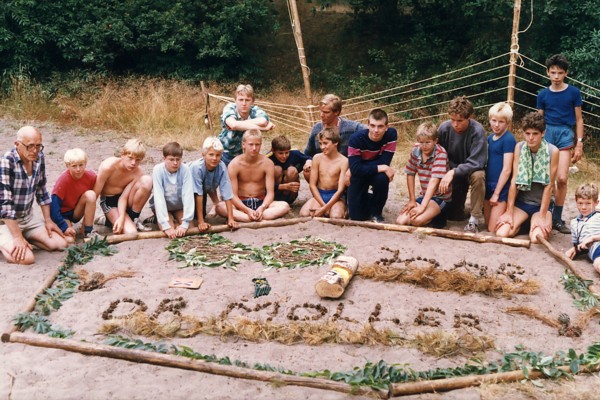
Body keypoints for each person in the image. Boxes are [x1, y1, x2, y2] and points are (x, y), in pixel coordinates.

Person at [0, 126, 69, 264]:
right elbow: (5, 205)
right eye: (30, 146)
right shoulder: (7, 162)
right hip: (5, 222)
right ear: (17, 144)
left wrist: (48, 221)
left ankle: (24, 237)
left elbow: (42, 191)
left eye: (38, 146)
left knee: (60, 244)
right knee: (27, 259)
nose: (35, 150)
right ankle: (8, 240)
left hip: (27, 218)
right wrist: (17, 237)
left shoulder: (38, 158)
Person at [537, 54, 584, 234]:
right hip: (547, 133)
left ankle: (557, 217)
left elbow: (579, 120)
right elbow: (538, 120)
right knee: (547, 178)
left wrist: (579, 143)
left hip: (565, 133)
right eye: (553, 72)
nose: (556, 76)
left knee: (562, 178)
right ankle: (547, 209)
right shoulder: (543, 94)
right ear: (548, 72)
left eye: (560, 73)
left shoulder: (573, 92)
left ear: (566, 73)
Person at [496, 112, 558, 244]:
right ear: (523, 133)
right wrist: (509, 211)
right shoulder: (519, 147)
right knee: (502, 233)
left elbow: (549, 186)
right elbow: (514, 181)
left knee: (536, 239)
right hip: (523, 202)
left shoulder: (553, 151)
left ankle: (535, 221)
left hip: (541, 204)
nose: (531, 138)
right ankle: (526, 223)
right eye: (527, 133)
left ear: (543, 133)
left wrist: (542, 216)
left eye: (535, 134)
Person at [216, 130, 290, 222]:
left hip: (261, 202)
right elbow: (233, 195)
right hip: (240, 203)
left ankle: (248, 218)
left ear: (261, 144)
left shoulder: (267, 163)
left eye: (257, 144)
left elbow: (270, 193)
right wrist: (246, 210)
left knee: (284, 206)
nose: (254, 148)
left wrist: (262, 208)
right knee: (220, 207)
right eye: (251, 144)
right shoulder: (234, 164)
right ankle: (255, 218)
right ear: (244, 145)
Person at [438, 96, 487, 233]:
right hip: (452, 172)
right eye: (452, 120)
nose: (455, 124)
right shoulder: (444, 128)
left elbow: (478, 161)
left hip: (471, 170)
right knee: (454, 216)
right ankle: (456, 208)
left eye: (460, 120)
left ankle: (474, 220)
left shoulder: (478, 131)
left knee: (479, 176)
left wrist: (453, 172)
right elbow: (438, 154)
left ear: (469, 117)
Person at [396, 122, 451, 227]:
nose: (424, 146)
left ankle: (439, 217)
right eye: (421, 142)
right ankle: (430, 216)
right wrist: (412, 200)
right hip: (424, 195)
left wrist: (422, 207)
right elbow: (410, 173)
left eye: (427, 142)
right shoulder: (416, 151)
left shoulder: (440, 153)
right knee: (401, 221)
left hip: (439, 197)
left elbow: (434, 180)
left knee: (417, 221)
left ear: (435, 141)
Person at [93, 138, 153, 235]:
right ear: (122, 155)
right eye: (130, 158)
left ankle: (134, 218)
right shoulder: (108, 166)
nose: (133, 163)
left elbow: (123, 198)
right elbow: (94, 195)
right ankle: (108, 220)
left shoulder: (138, 172)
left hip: (125, 200)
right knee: (131, 232)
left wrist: (121, 218)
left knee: (147, 180)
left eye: (138, 160)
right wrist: (86, 225)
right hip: (109, 202)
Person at [347, 109, 397, 222]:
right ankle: (364, 197)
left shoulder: (391, 135)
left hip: (374, 174)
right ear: (367, 124)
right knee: (357, 217)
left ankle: (377, 212)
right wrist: (382, 167)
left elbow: (384, 161)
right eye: (373, 125)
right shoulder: (355, 139)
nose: (376, 130)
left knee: (382, 178)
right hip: (359, 175)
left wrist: (361, 166)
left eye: (380, 126)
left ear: (386, 126)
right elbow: (355, 169)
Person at [304, 94, 365, 184]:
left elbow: (373, 131)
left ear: (336, 112)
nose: (321, 115)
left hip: (344, 170)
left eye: (326, 112)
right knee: (308, 171)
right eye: (320, 111)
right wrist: (308, 161)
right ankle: (321, 193)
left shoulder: (352, 127)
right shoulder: (317, 128)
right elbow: (308, 153)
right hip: (324, 172)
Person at [218, 84, 275, 165]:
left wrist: (238, 125)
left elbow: (263, 121)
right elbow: (233, 124)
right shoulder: (230, 107)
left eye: (247, 100)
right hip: (226, 152)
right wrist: (263, 129)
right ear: (235, 100)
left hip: (247, 153)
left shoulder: (255, 110)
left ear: (252, 101)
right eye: (240, 100)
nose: (244, 103)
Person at [189, 137, 238, 231]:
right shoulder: (197, 167)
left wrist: (230, 218)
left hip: (204, 190)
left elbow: (227, 193)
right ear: (203, 155)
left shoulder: (221, 166)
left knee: (200, 214)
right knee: (192, 217)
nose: (214, 158)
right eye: (211, 155)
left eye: (218, 155)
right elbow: (198, 194)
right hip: (187, 192)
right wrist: (201, 222)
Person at [299, 128, 348, 218]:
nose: (322, 147)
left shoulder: (343, 161)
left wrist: (325, 208)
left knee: (336, 217)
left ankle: (344, 209)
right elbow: (312, 185)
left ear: (335, 142)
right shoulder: (317, 158)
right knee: (304, 214)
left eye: (325, 143)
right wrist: (324, 207)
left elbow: (340, 190)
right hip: (320, 195)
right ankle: (325, 208)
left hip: (335, 197)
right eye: (320, 143)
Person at [149, 142, 194, 239]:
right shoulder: (158, 170)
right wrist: (165, 225)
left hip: (178, 206)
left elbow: (188, 195)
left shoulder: (185, 169)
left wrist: (185, 224)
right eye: (171, 159)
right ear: (164, 159)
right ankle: (161, 219)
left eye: (178, 159)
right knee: (170, 232)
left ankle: (178, 222)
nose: (175, 163)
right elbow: (159, 197)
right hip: (165, 206)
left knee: (189, 229)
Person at [50, 148, 98, 241]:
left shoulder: (91, 177)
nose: (78, 169)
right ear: (67, 165)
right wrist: (64, 226)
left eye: (81, 165)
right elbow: (54, 208)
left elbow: (94, 198)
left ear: (85, 164)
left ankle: (88, 230)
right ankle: (64, 227)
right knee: (70, 239)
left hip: (76, 211)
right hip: (62, 214)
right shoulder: (63, 181)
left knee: (91, 195)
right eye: (74, 166)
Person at [483, 102, 517, 233]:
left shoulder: (508, 139)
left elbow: (507, 169)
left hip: (501, 187)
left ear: (507, 123)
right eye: (494, 120)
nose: (496, 125)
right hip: (488, 184)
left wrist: (497, 193)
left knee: (492, 228)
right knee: (486, 224)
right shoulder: (490, 138)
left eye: (501, 122)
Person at [565, 183, 600, 274]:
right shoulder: (574, 223)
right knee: (597, 265)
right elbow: (580, 245)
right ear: (575, 202)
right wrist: (575, 250)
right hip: (596, 253)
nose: (583, 207)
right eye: (580, 203)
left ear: (596, 203)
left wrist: (593, 238)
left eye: (588, 203)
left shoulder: (598, 216)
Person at [268, 135, 311, 204]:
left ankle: (288, 199)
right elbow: (261, 184)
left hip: (289, 193)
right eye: (280, 153)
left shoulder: (294, 154)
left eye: (287, 152)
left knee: (292, 170)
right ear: (273, 150)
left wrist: (308, 162)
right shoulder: (268, 159)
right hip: (274, 193)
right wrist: (283, 187)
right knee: (277, 169)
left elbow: (309, 158)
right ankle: (274, 199)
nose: (284, 156)